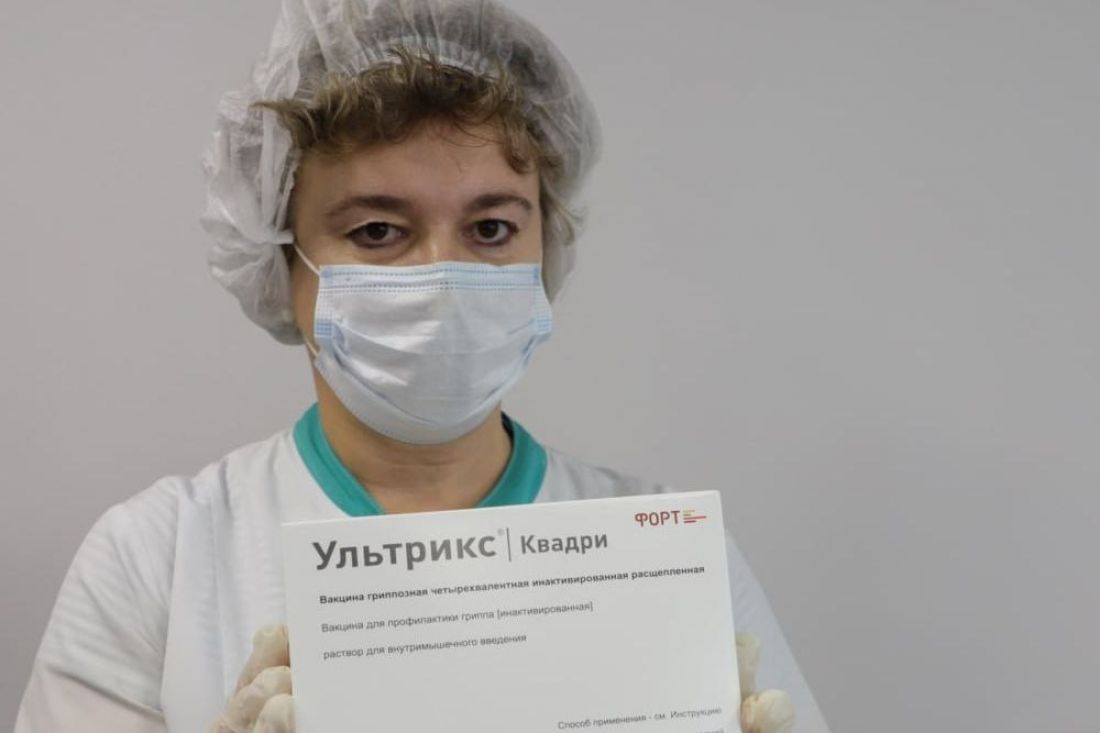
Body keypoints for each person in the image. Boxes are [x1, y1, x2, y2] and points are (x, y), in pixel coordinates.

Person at [14, 1, 830, 731]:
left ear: (546, 247)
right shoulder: (160, 557)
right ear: (280, 260)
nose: (444, 277)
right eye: (378, 230)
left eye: (491, 228)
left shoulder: (669, 558)